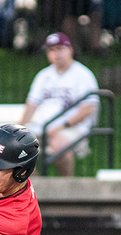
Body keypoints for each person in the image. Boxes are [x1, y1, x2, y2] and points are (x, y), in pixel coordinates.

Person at [19, 32, 99, 177]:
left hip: (71, 128)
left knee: (59, 147)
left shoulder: (83, 75)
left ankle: (65, 189)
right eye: (51, 50)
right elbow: (31, 104)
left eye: (60, 48)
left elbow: (88, 108)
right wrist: (19, 128)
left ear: (70, 50)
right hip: (42, 127)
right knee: (16, 151)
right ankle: (36, 189)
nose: (56, 54)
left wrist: (60, 127)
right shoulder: (43, 76)